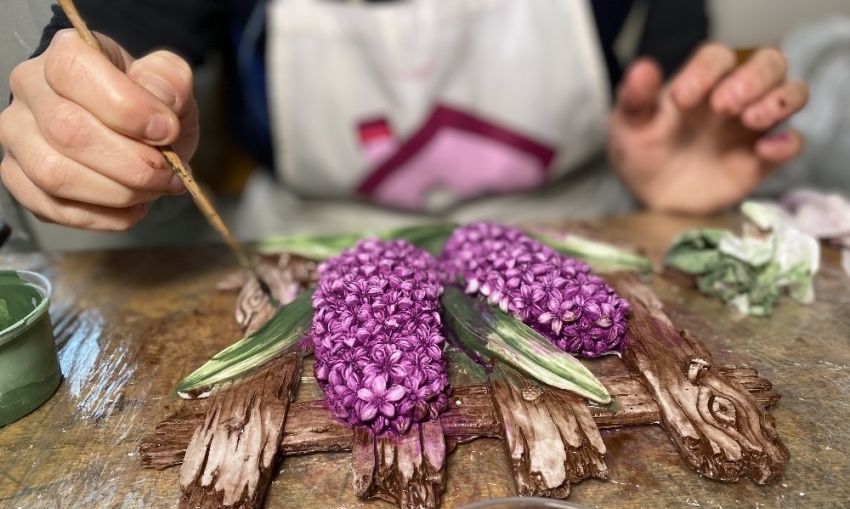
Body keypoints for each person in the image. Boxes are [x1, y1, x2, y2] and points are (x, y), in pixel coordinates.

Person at [0, 0, 808, 237]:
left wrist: (663, 191)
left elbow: (675, 86)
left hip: (579, 228)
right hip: (303, 245)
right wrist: (81, 105)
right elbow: (108, 45)